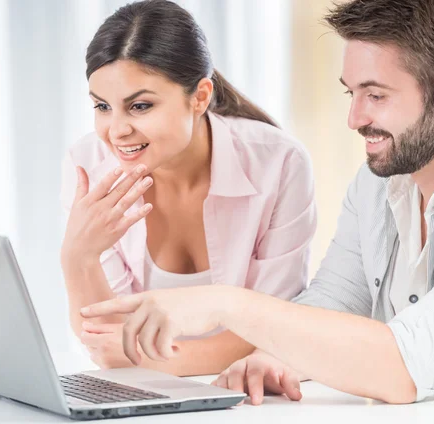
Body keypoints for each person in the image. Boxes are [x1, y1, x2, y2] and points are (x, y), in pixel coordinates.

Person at [80, 0, 434, 404]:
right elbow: (334, 303)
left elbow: (405, 367)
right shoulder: (379, 183)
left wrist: (224, 305)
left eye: (375, 95)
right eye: (351, 93)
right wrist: (273, 356)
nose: (354, 118)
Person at [59, 0, 316, 377]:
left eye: (140, 106)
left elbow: (274, 328)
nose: (116, 131)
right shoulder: (88, 166)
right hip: (144, 400)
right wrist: (77, 256)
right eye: (102, 106)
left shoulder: (279, 164)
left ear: (199, 97)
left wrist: (140, 359)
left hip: (252, 396)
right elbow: (104, 340)